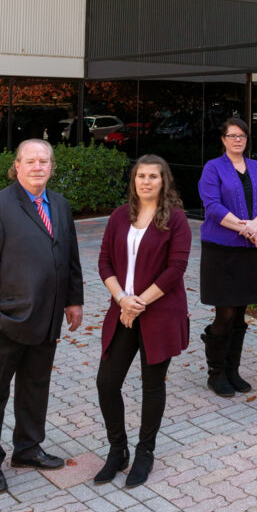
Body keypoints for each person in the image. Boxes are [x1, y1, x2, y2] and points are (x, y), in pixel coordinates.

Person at [0, 139, 84, 494]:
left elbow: (70, 258)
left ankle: (28, 449)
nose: (37, 167)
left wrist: (74, 300)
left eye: (44, 161)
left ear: (52, 167)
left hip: (46, 320)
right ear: (16, 166)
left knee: (35, 389)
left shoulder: (60, 205)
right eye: (30, 161)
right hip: (3, 324)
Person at [95, 154, 190, 488]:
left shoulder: (176, 219)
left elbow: (175, 269)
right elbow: (104, 262)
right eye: (141, 176)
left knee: (152, 385)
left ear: (164, 181)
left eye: (153, 176)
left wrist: (138, 303)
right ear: (133, 180)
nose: (146, 181)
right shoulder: (121, 216)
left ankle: (145, 452)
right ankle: (117, 449)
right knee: (107, 382)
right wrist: (122, 299)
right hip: (123, 310)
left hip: (159, 314)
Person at [198, 117, 257, 397]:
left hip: (250, 252)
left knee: (241, 313)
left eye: (242, 136)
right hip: (222, 251)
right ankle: (216, 373)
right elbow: (212, 207)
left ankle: (233, 371)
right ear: (223, 139)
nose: (237, 140)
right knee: (226, 312)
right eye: (232, 135)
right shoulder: (212, 168)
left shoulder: (256, 168)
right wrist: (247, 228)